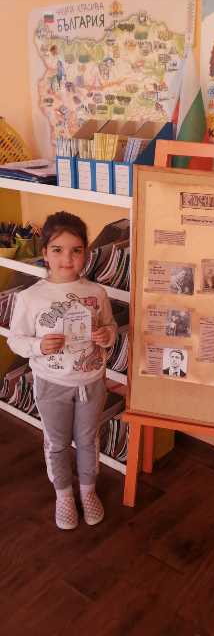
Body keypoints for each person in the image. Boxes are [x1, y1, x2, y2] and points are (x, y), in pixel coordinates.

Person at [7, 211, 117, 531]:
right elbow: (15, 340)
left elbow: (110, 327)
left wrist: (107, 336)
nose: (67, 259)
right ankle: (64, 495)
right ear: (45, 253)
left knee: (87, 439)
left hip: (91, 382)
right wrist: (39, 345)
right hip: (51, 383)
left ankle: (88, 490)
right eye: (57, 250)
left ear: (86, 254)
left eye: (76, 250)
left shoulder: (97, 294)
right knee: (56, 442)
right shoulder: (30, 297)